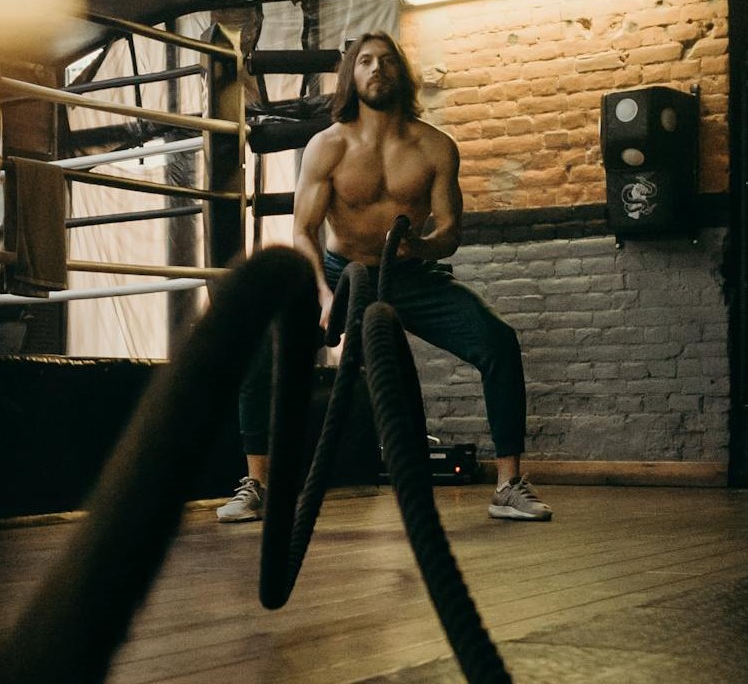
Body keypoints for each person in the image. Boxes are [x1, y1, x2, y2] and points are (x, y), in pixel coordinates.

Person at [218, 31, 552, 523]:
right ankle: (258, 485)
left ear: (402, 73)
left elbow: (450, 231)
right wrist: (324, 293)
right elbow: (304, 231)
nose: (377, 69)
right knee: (257, 342)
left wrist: (422, 246)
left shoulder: (436, 147)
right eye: (366, 61)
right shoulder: (326, 146)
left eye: (387, 61)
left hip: (410, 275)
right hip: (336, 273)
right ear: (352, 76)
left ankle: (509, 484)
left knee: (498, 341)